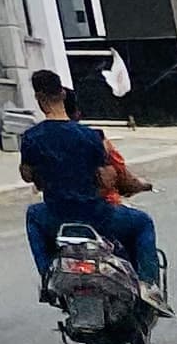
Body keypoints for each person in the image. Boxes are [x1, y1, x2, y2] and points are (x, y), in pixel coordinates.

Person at [19, 69, 164, 301]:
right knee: (143, 223)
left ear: (38, 99)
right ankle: (148, 287)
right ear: (63, 95)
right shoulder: (89, 136)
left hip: (56, 217)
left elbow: (27, 175)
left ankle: (48, 276)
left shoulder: (32, 138)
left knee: (33, 215)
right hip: (97, 216)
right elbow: (107, 177)